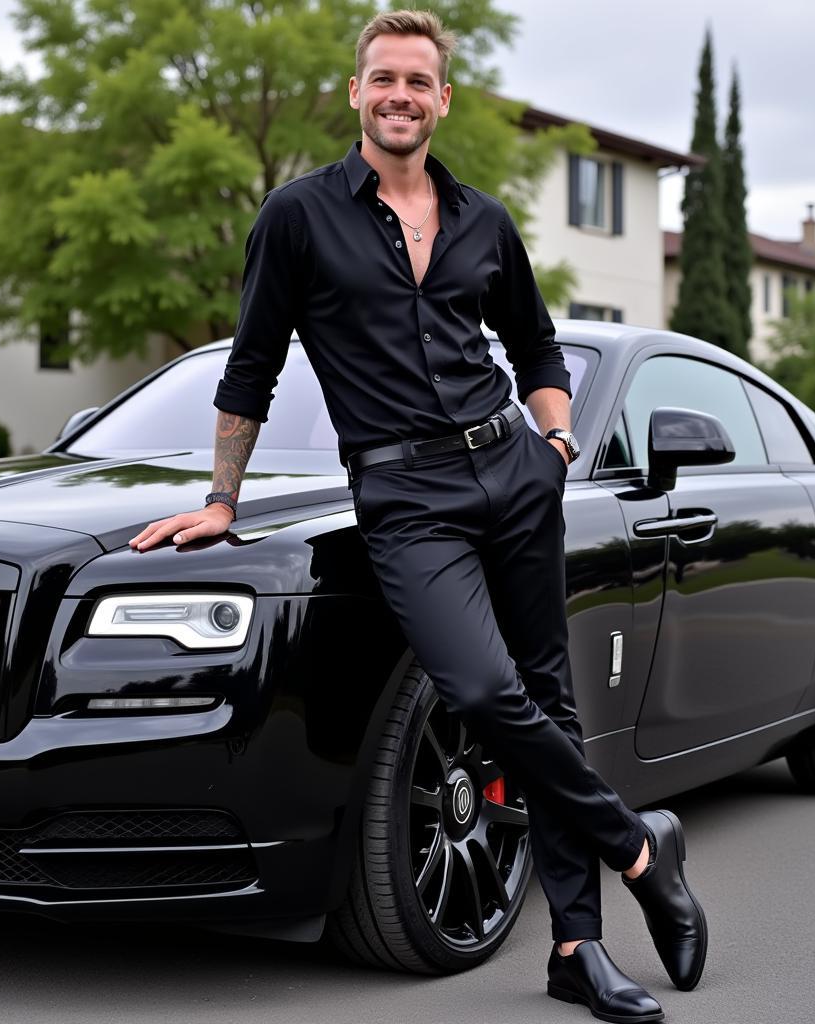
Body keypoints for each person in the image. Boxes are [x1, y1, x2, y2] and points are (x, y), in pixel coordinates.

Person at [129, 9, 707, 1020]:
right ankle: (639, 846)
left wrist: (557, 444)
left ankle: (576, 947)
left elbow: (534, 345)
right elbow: (251, 368)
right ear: (355, 93)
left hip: (515, 474)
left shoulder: (484, 220)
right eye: (383, 78)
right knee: (484, 692)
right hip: (405, 497)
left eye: (418, 82)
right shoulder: (297, 217)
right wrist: (222, 501)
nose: (400, 95)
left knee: (548, 702)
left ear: (441, 100)